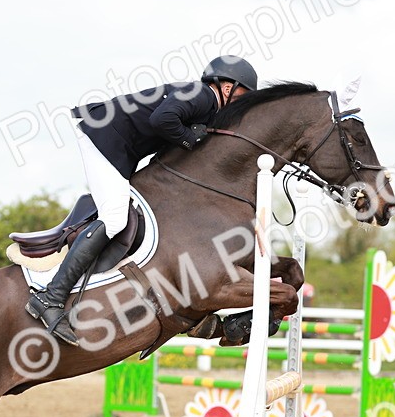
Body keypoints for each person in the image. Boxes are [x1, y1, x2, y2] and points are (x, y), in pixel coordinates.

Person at [27, 55, 259, 346]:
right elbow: (161, 120)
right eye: (242, 94)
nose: (241, 101)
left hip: (118, 145)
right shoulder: (203, 96)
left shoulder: (204, 103)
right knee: (114, 219)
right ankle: (50, 297)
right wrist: (191, 138)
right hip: (103, 137)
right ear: (227, 87)